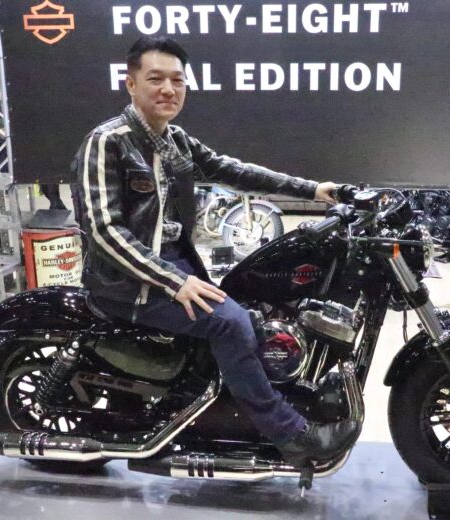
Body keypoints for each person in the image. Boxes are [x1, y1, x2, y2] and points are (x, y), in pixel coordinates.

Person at [74, 36, 359, 466]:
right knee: (231, 323)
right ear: (131, 84)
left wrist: (313, 190)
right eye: (155, 79)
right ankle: (290, 435)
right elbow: (104, 231)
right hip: (128, 283)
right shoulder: (107, 142)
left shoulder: (173, 140)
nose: (168, 89)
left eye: (177, 80)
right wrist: (175, 281)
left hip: (171, 265)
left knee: (257, 301)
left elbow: (231, 169)